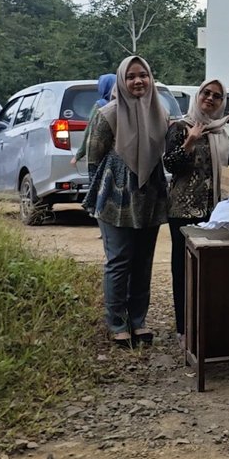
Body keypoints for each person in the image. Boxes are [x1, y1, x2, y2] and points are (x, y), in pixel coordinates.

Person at [86, 55, 169, 349]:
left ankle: (138, 320)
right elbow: (93, 160)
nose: (138, 81)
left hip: (150, 194)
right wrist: (100, 196)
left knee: (143, 261)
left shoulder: (161, 112)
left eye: (143, 75)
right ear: (122, 80)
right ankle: (116, 322)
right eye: (131, 76)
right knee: (119, 260)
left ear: (150, 79)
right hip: (116, 197)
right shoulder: (107, 114)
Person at [162, 78, 229, 337]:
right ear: (198, 96)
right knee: (183, 270)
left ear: (222, 103)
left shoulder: (221, 134)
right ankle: (184, 329)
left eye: (217, 96)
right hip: (184, 212)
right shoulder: (180, 127)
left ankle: (208, 326)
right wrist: (189, 141)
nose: (210, 99)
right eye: (206, 93)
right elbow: (170, 165)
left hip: (215, 213)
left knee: (212, 272)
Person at [74, 72, 117, 164]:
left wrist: (78, 155)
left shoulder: (100, 106)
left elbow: (90, 131)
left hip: (99, 156)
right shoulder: (122, 105)